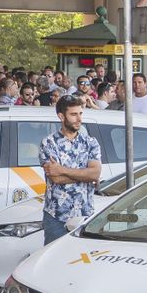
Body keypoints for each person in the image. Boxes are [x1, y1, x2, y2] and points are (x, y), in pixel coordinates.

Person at [39, 95, 102, 242]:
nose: (79, 118)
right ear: (61, 116)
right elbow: (56, 178)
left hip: (85, 215)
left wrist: (62, 169)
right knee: (54, 261)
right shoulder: (49, 143)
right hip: (56, 216)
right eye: (73, 114)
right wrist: (84, 174)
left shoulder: (90, 142)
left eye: (80, 113)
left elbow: (95, 173)